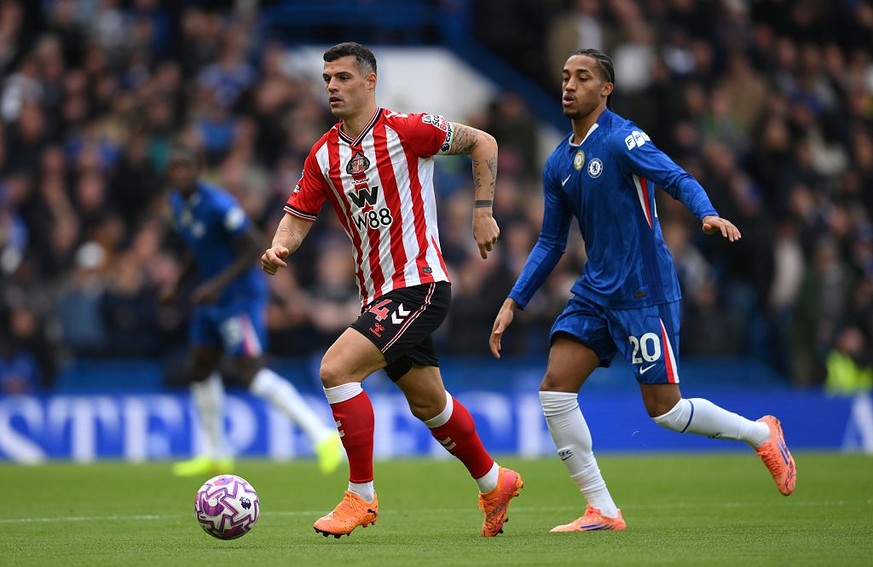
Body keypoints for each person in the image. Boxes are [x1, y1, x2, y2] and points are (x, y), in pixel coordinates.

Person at [489, 49, 797, 533]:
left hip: (643, 290)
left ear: (605, 89)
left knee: (666, 412)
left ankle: (762, 433)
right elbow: (550, 241)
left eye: (583, 77)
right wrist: (514, 300)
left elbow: (676, 176)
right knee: (554, 390)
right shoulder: (558, 162)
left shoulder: (623, 138)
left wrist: (706, 212)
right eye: (566, 76)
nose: (569, 85)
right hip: (596, 290)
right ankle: (602, 509)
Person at [261, 42, 523, 538]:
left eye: (341, 77)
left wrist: (483, 209)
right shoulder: (324, 155)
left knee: (335, 369)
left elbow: (484, 142)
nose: (332, 87)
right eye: (327, 80)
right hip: (378, 295)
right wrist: (280, 249)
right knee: (429, 404)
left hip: (419, 284)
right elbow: (297, 217)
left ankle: (360, 496)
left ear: (369, 80)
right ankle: (495, 481)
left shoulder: (408, 130)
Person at [162, 143, 343, 477]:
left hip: (239, 298)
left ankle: (324, 437)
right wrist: (178, 286)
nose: (180, 174)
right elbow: (197, 250)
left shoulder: (218, 204)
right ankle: (216, 454)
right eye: (175, 168)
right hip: (210, 299)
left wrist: (214, 285)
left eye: (186, 167)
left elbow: (253, 245)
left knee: (251, 373)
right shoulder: (178, 203)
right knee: (199, 367)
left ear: (199, 170)